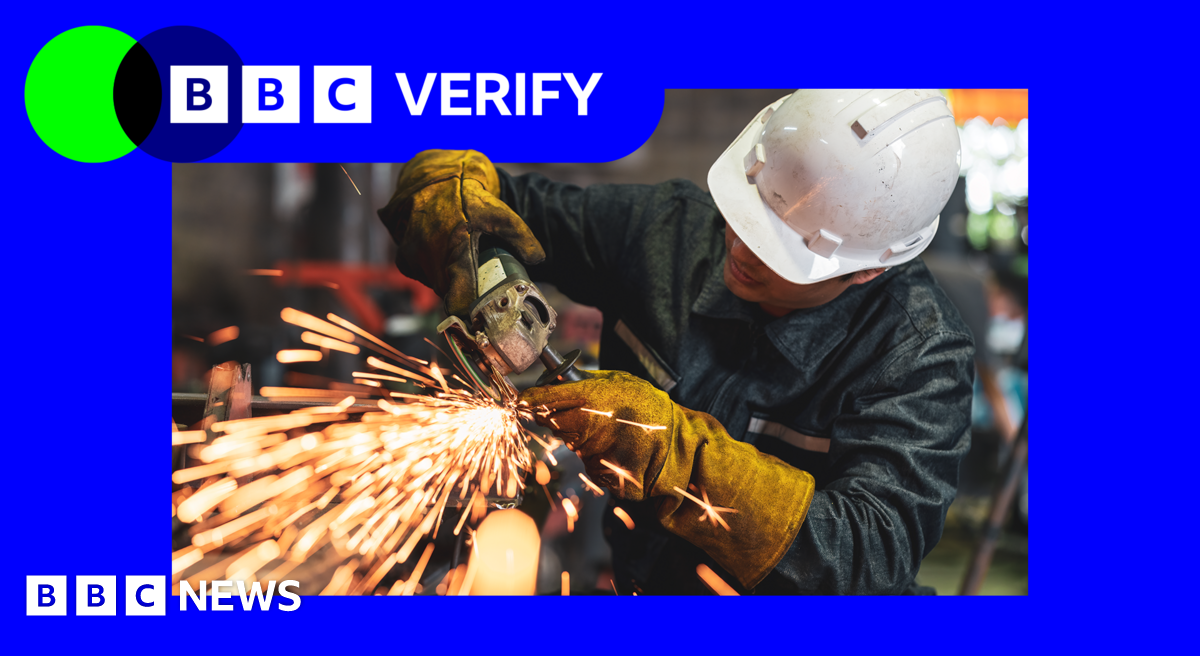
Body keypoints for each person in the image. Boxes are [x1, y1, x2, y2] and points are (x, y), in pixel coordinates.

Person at [378, 89, 975, 594]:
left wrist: (671, 454)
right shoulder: (667, 231)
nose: (737, 251)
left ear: (866, 269)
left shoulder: (918, 355)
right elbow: (500, 203)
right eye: (741, 217)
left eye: (774, 249)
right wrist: (451, 195)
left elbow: (869, 556)